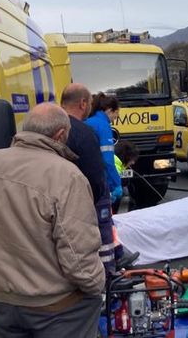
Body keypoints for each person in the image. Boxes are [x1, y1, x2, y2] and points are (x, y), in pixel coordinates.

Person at [0, 103, 104, 338]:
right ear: (60, 135)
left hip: (0, 301)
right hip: (57, 308)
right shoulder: (67, 176)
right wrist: (97, 284)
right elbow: (79, 260)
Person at [60, 83, 117, 276]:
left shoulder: (51, 128)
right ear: (83, 103)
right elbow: (97, 169)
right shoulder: (85, 132)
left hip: (57, 204)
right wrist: (107, 190)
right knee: (102, 239)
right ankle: (107, 278)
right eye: (90, 103)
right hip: (85, 201)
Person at [85, 93, 124, 210]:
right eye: (116, 114)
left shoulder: (88, 121)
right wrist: (116, 184)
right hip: (99, 181)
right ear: (110, 110)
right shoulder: (103, 126)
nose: (115, 119)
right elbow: (107, 160)